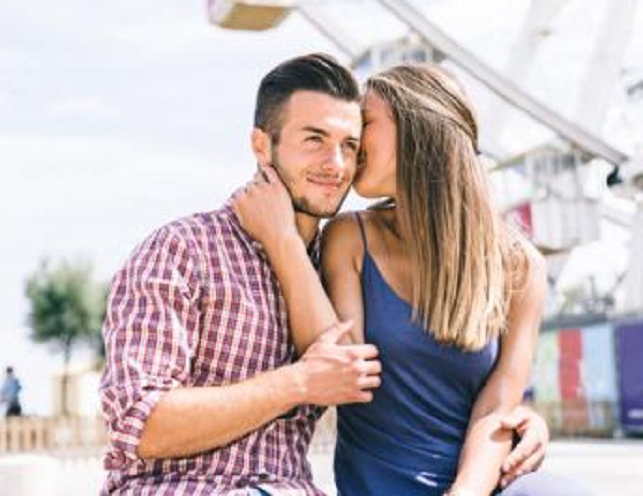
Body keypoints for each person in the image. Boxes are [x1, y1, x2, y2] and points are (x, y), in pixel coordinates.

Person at [99, 54, 549, 495]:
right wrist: (297, 380)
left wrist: (517, 421)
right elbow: (137, 421)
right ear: (262, 145)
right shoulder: (184, 250)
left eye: (352, 142)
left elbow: (481, 399)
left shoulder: (323, 260)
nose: (338, 163)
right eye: (314, 139)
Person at [233, 62, 589, 495]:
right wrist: (283, 241)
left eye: (365, 123)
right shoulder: (350, 238)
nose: (353, 140)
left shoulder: (520, 265)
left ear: (416, 130)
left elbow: (497, 409)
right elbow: (342, 367)